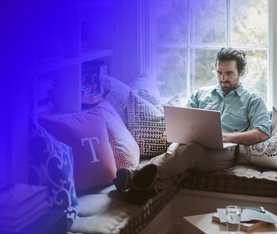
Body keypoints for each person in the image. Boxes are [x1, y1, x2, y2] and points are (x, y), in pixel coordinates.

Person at [113, 47, 272, 204]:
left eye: (229, 73)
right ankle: (141, 191)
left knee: (190, 151)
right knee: (182, 158)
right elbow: (183, 120)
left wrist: (225, 137)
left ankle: (135, 175)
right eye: (219, 73)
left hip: (224, 153)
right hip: (189, 145)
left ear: (241, 72)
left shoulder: (253, 100)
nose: (223, 78)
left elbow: (262, 132)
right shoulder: (200, 94)